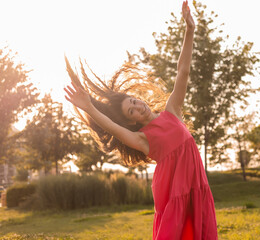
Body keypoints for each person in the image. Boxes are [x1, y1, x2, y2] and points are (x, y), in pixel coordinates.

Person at [64, 1, 218, 239]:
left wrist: (189, 30)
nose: (138, 107)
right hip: (173, 194)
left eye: (134, 101)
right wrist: (90, 107)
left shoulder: (172, 111)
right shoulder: (142, 139)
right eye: (131, 111)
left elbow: (183, 71)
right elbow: (112, 127)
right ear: (132, 121)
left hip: (197, 188)